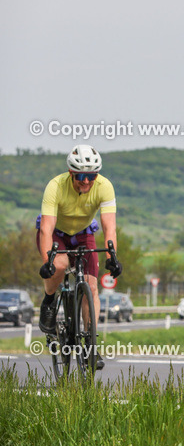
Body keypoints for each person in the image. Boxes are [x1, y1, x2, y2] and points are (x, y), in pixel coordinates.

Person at [37, 144, 121, 371]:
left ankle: (91, 344)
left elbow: (109, 227)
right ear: (71, 173)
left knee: (91, 286)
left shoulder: (104, 186)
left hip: (84, 233)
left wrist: (112, 256)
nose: (86, 181)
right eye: (81, 176)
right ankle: (49, 301)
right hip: (57, 233)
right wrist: (47, 261)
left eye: (91, 176)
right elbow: (46, 228)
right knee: (60, 264)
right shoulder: (55, 186)